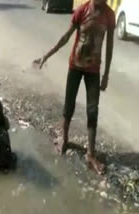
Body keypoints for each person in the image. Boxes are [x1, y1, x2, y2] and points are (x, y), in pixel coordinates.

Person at [34, 0, 115, 175]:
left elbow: (109, 48)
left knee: (93, 110)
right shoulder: (82, 10)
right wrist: (46, 56)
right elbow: (66, 37)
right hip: (75, 66)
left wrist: (106, 74)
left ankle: (91, 154)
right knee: (68, 104)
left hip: (94, 70)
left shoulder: (109, 15)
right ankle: (64, 139)